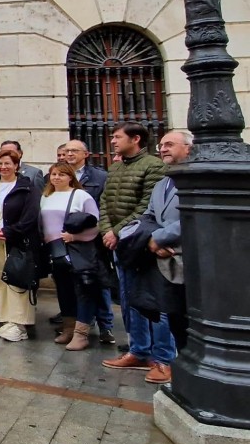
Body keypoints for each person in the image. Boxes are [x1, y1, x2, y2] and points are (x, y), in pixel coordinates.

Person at [112, 129, 194, 384]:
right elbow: (147, 215)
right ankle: (147, 354)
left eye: (170, 144)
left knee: (174, 313)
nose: (163, 149)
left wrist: (159, 239)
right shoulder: (163, 183)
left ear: (188, 148)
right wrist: (150, 240)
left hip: (180, 257)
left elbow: (190, 218)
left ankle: (167, 361)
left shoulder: (196, 179)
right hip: (154, 254)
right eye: (161, 145)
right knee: (153, 308)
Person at [99, 121, 169, 375]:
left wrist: (117, 232)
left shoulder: (153, 166)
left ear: (136, 138)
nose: (113, 141)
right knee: (129, 299)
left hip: (141, 242)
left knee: (152, 300)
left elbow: (147, 206)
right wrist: (107, 229)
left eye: (117, 137)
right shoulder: (115, 167)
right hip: (119, 244)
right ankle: (138, 350)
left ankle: (163, 357)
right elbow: (104, 201)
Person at [40, 162, 105, 349]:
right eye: (53, 174)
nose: (56, 178)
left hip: (77, 250)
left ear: (70, 177)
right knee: (63, 290)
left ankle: (81, 333)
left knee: (82, 291)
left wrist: (75, 236)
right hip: (55, 251)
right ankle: (68, 328)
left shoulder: (81, 196)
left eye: (61, 174)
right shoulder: (46, 196)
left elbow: (95, 224)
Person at [0, 147, 41, 342]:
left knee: (17, 280)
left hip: (17, 241)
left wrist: (8, 231)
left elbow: (30, 216)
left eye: (8, 163)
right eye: (0, 163)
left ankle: (20, 324)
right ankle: (6, 319)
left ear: (16, 166)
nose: (3, 167)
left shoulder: (27, 186)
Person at [58, 139, 113, 339]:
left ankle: (105, 325)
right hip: (65, 240)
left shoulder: (99, 176)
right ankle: (79, 323)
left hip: (92, 239)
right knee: (74, 284)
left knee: (97, 281)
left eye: (74, 150)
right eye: (66, 150)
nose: (69, 154)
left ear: (85, 154)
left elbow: (103, 207)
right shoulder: (56, 176)